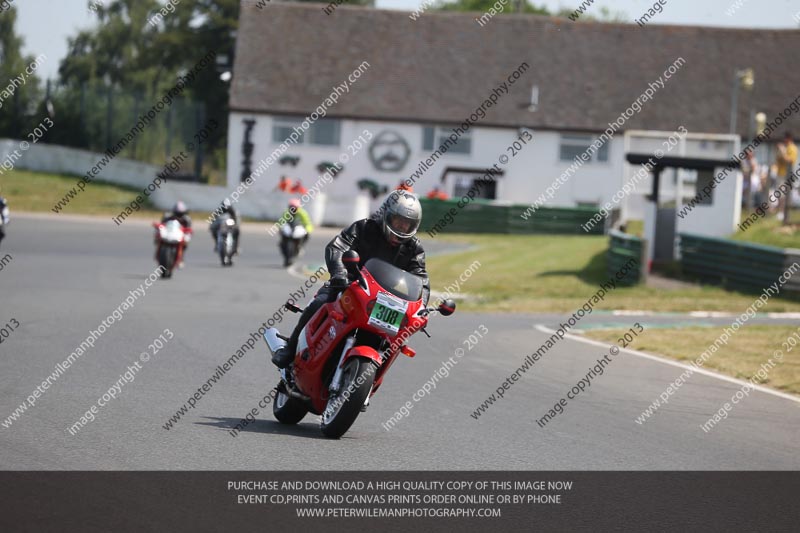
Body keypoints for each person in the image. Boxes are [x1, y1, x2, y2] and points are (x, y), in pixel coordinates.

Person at [271, 190, 430, 369]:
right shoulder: (364, 228)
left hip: (385, 300)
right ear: (386, 215)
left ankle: (368, 382)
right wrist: (339, 273)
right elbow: (337, 246)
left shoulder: (413, 248)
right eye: (398, 221)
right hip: (349, 285)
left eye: (407, 225)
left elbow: (421, 278)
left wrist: (421, 305)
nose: (401, 228)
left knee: (396, 339)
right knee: (321, 301)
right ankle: (291, 349)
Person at [279, 198, 313, 266]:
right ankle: (284, 250)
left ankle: (301, 246)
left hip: (298, 229)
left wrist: (307, 230)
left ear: (298, 208)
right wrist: (280, 228)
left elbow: (308, 223)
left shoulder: (302, 213)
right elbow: (281, 222)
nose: (293, 209)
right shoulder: (286, 213)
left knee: (307, 235)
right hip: (289, 230)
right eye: (291, 207)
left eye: (294, 208)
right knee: (282, 242)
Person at [160, 201, 192, 265]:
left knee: (186, 241)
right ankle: (161, 251)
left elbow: (189, 228)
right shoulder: (168, 216)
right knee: (159, 236)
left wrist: (187, 231)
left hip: (180, 234)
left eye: (180, 213)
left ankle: (181, 257)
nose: (178, 215)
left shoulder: (186, 219)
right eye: (177, 213)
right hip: (169, 232)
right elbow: (162, 224)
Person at [775, 132, 798, 223]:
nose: (784, 140)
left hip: (786, 175)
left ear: (789, 139)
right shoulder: (785, 148)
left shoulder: (792, 148)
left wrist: (783, 151)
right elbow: (778, 159)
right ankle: (780, 212)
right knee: (780, 194)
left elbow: (790, 160)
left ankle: (783, 213)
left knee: (783, 194)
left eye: (785, 138)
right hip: (780, 173)